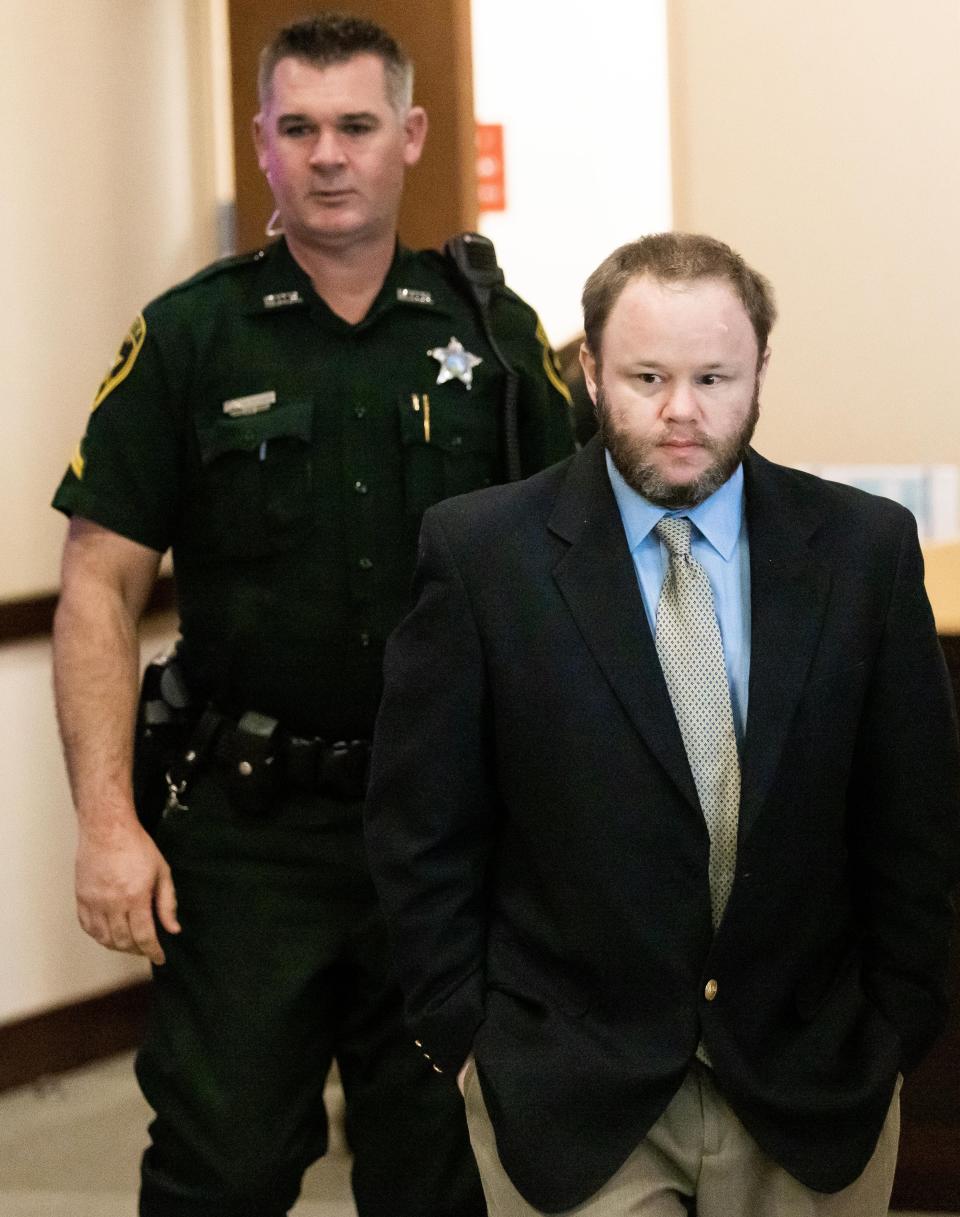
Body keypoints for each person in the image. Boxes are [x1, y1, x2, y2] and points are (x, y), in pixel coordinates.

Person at [51, 13, 574, 1217]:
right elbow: (98, 584)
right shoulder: (186, 336)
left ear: (409, 135)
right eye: (299, 128)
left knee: (426, 1168)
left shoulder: (491, 340)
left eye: (355, 125)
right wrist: (105, 822)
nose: (329, 153)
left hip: (439, 828)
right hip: (248, 837)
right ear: (264, 145)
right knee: (219, 1168)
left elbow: (573, 575)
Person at [364, 232, 960, 1216]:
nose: (682, 411)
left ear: (760, 371)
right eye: (647, 375)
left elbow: (915, 821)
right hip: (572, 1093)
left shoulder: (864, 554)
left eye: (714, 376)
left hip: (816, 1085)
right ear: (591, 371)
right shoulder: (483, 557)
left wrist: (896, 1021)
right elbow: (422, 827)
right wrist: (466, 1037)